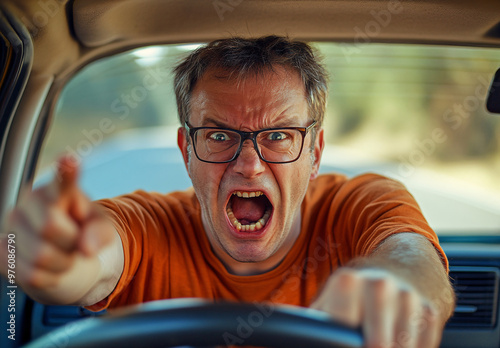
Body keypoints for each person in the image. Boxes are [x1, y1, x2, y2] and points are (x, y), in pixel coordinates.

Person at [1, 36, 454, 347]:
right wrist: (52, 255)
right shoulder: (149, 224)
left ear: (314, 152)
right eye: (219, 136)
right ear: (187, 150)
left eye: (278, 135)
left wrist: (399, 284)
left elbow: (412, 257)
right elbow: (93, 255)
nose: (250, 164)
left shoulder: (359, 203)